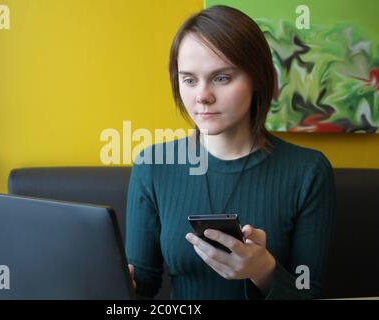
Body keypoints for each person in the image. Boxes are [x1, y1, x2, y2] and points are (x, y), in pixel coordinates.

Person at [125, 5, 336, 300]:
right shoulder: (151, 166)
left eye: (221, 78)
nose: (202, 96)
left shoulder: (309, 171)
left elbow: (308, 293)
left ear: (257, 79)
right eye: (189, 80)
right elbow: (142, 284)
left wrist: (263, 269)